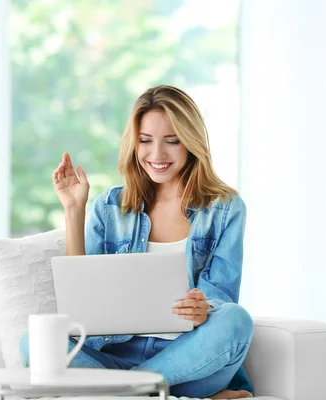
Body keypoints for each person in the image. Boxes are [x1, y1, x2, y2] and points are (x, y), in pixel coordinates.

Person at [20, 85, 254, 399]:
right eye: (146, 141)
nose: (157, 155)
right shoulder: (110, 207)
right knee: (32, 343)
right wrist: (74, 209)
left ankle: (125, 391)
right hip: (114, 353)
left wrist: (203, 309)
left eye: (172, 141)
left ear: (192, 142)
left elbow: (222, 297)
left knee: (236, 321)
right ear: (134, 144)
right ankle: (150, 393)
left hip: (185, 360)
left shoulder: (225, 209)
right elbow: (83, 300)